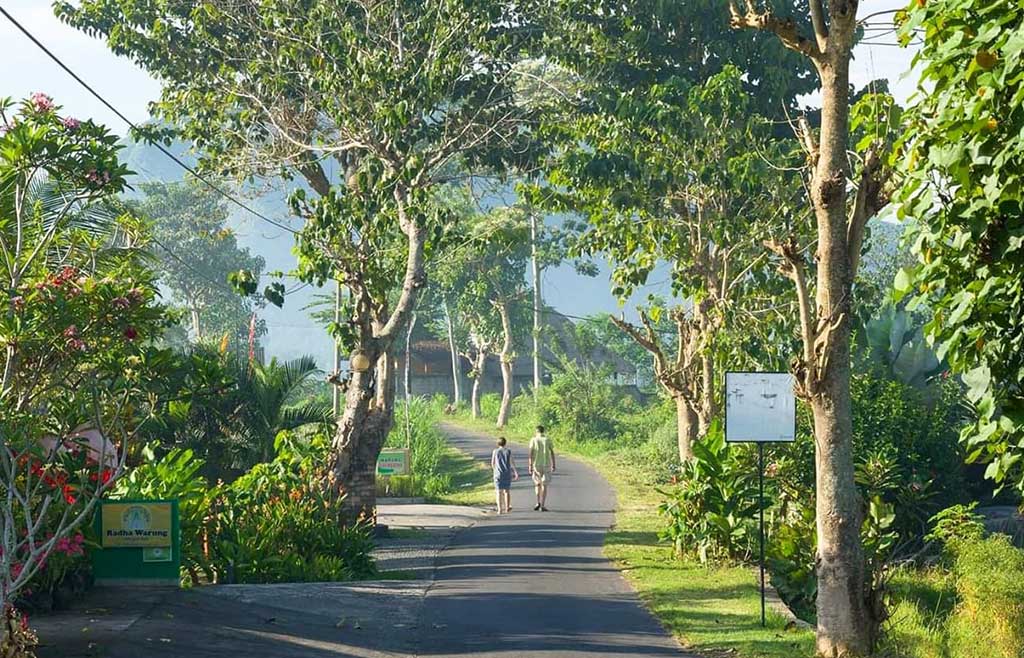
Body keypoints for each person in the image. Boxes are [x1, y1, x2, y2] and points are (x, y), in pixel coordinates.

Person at [528, 425, 556, 511]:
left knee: (537, 484)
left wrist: (530, 466)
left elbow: (530, 454)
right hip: (546, 464)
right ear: (543, 431)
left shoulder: (533, 440)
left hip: (536, 465)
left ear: (536, 431)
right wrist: (553, 464)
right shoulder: (547, 440)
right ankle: (542, 505)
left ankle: (537, 502)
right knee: (544, 485)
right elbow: (552, 452)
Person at [491, 436, 518, 514]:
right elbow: (511, 462)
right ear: (505, 443)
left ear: (498, 444)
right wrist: (515, 472)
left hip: (497, 474)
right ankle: (507, 507)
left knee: (498, 492)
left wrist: (494, 471)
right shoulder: (508, 451)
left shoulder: (495, 451)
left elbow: (493, 463)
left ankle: (499, 509)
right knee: (506, 491)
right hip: (507, 473)